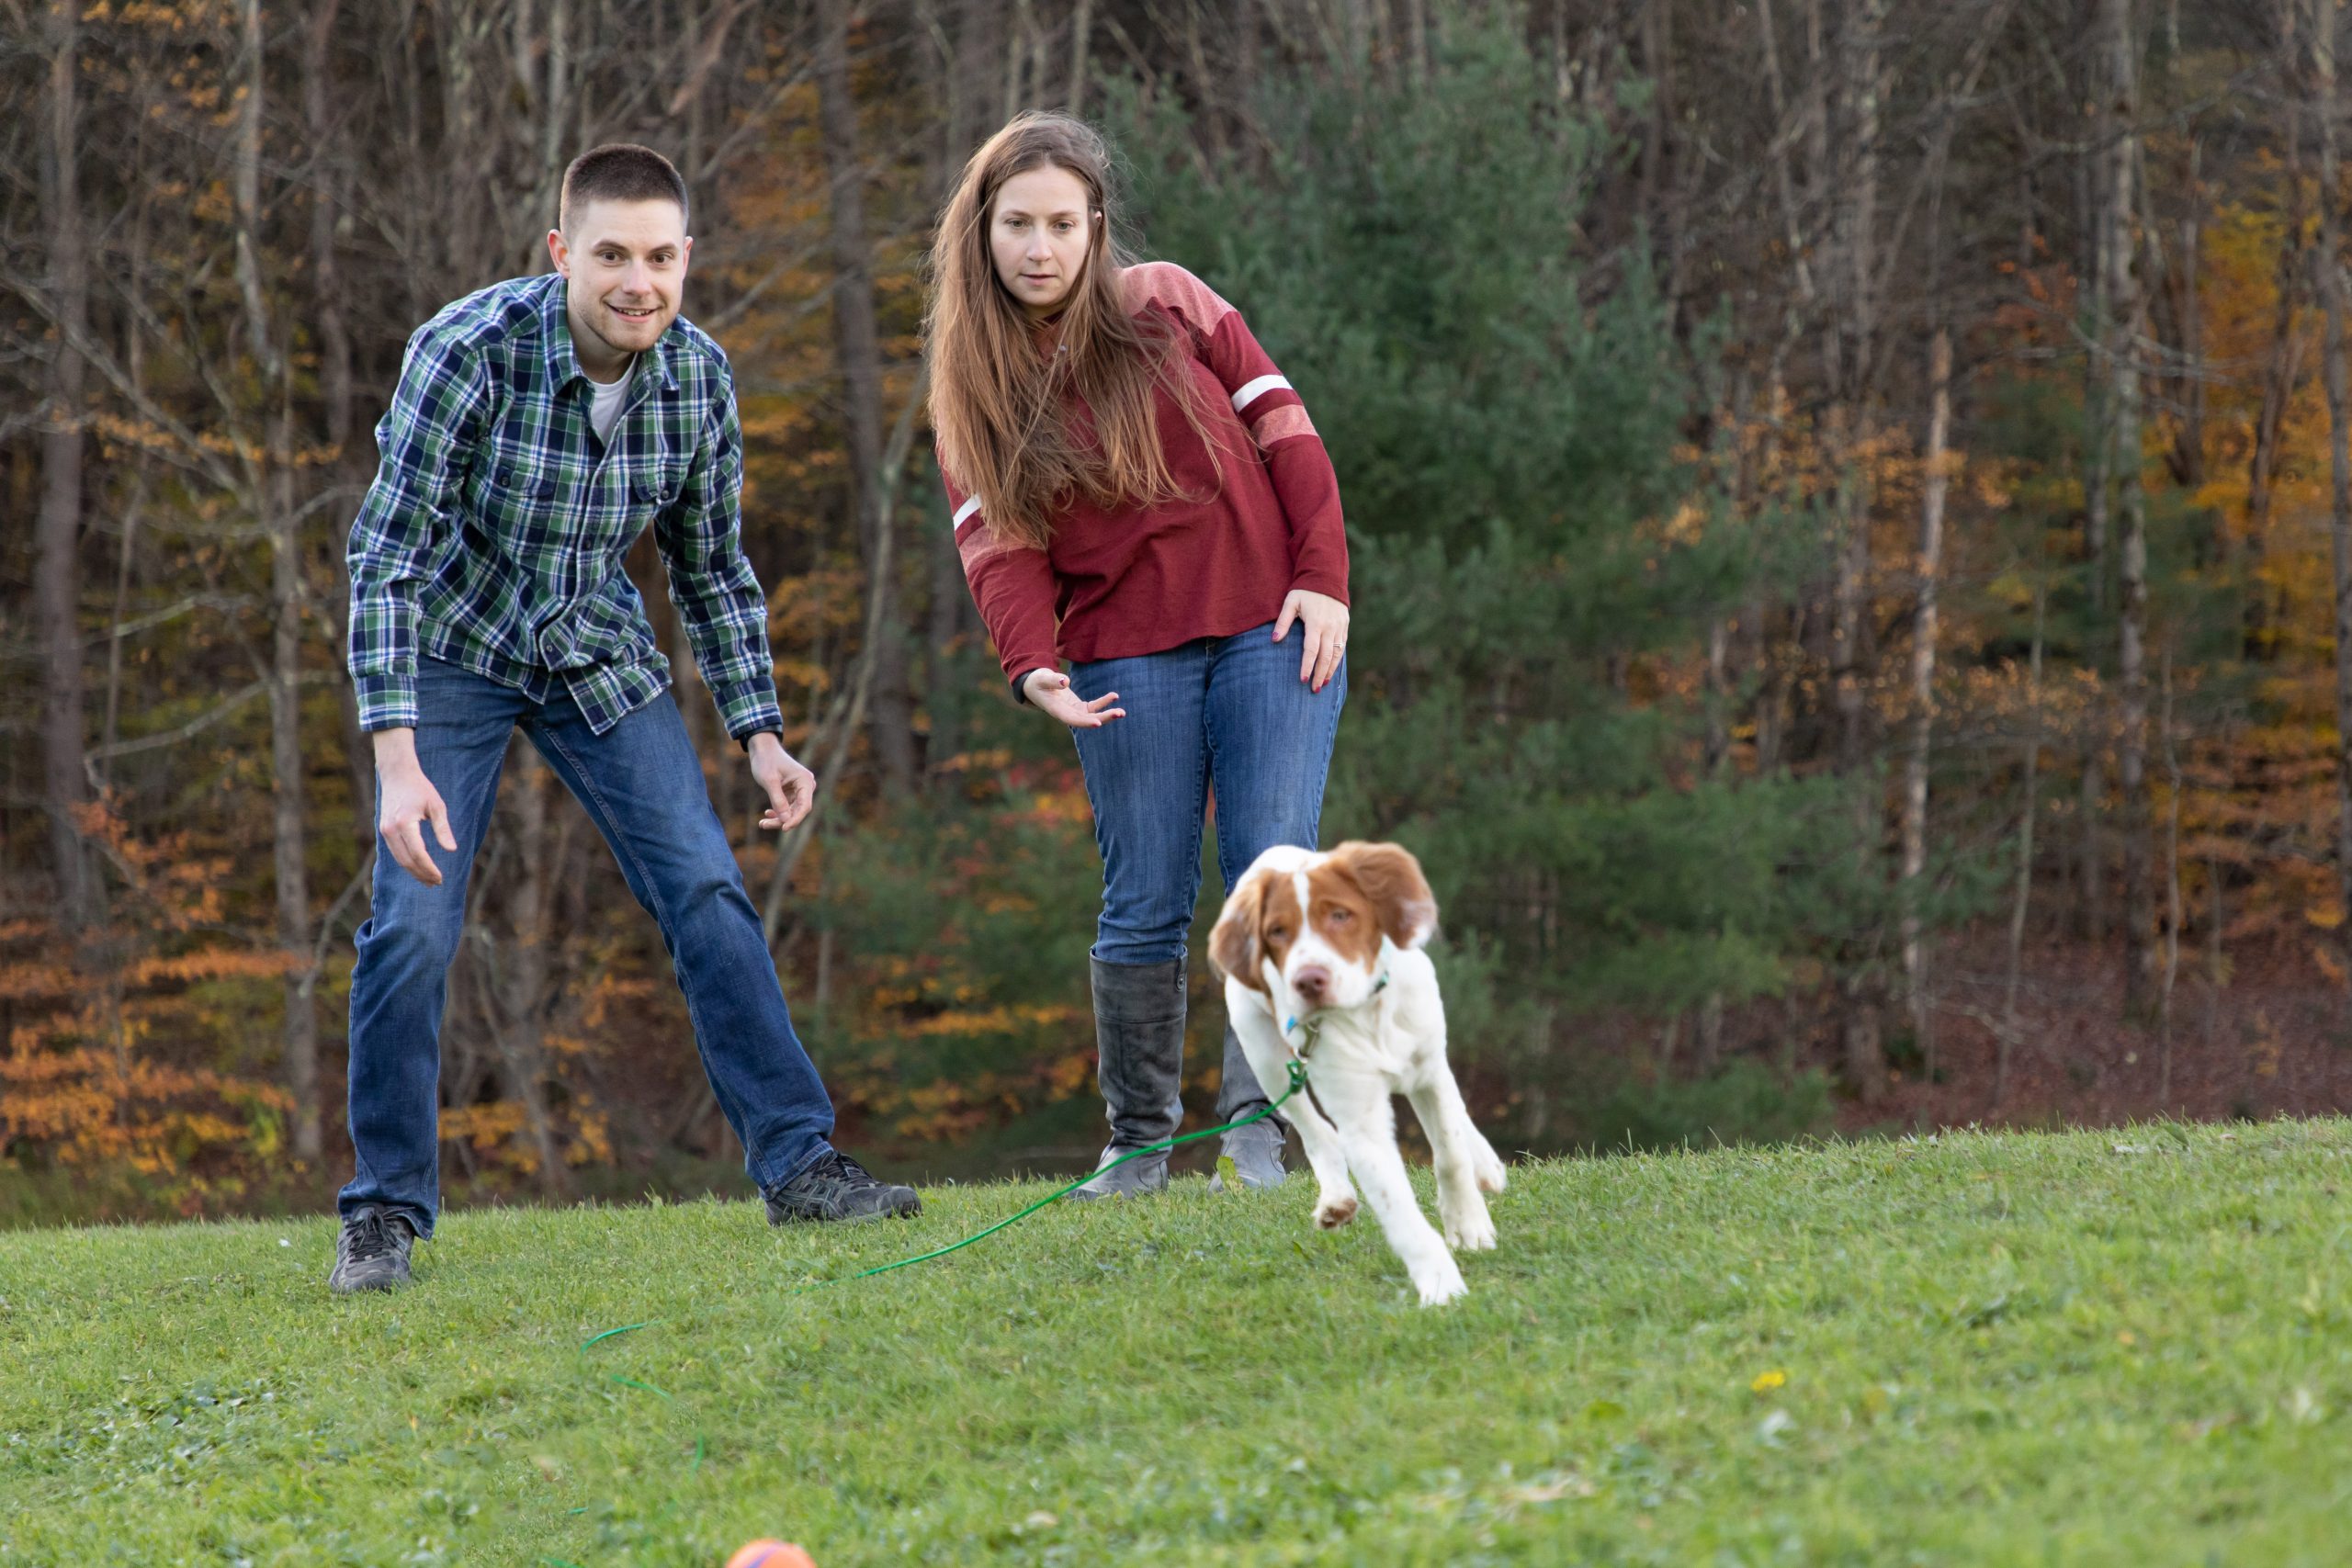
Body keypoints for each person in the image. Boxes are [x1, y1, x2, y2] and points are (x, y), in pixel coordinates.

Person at [334, 143, 918, 1295]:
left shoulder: (698, 379)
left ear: (686, 258)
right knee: (412, 927)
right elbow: (384, 557)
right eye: (610, 255)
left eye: (659, 257)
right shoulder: (467, 351)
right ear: (562, 253)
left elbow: (711, 569)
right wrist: (397, 761)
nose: (636, 282)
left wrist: (761, 734)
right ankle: (383, 1213)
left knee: (704, 888)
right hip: (450, 649)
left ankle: (800, 1165)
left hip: (591, 652)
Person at [924, 113, 1351, 1197]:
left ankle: (1257, 1134)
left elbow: (1288, 434)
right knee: (1144, 896)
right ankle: (1140, 1144)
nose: (1040, 248)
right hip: (1122, 656)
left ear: (1095, 225)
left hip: (1270, 628)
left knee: (1272, 875)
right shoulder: (971, 387)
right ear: (981, 233)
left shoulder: (1167, 300)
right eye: (1017, 225)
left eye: (1062, 224)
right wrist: (1032, 663)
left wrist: (1323, 578)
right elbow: (999, 551)